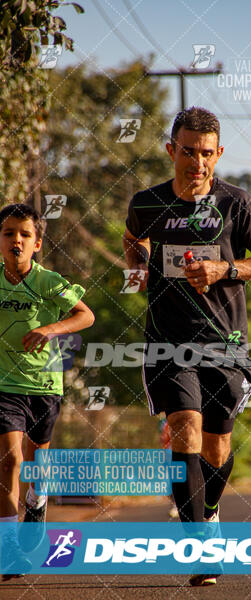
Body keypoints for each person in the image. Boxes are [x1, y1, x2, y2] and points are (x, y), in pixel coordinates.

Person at [123, 106, 251, 586]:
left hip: (226, 342)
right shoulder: (147, 203)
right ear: (172, 151)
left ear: (219, 154)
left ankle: (208, 511)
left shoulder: (237, 205)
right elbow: (132, 239)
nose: (197, 162)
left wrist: (224, 270)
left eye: (206, 153)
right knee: (185, 428)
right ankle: (199, 548)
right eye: (188, 152)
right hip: (168, 341)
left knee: (217, 446)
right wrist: (140, 265)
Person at [0, 204, 95, 579]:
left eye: (24, 235)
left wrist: (51, 329)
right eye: (8, 233)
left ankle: (37, 501)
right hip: (4, 384)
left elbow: (84, 316)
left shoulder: (48, 281)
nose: (16, 241)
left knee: (38, 460)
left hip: (44, 384)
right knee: (8, 460)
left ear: (37, 243)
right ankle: (8, 548)